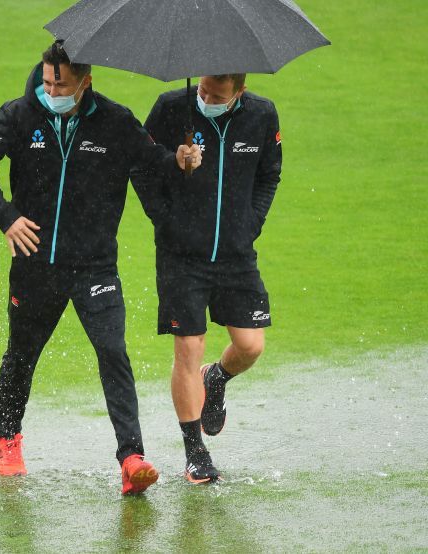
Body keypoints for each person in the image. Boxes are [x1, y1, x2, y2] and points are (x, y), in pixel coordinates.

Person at [0, 42, 201, 495]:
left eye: (61, 85)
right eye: (47, 82)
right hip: (35, 266)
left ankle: (131, 458)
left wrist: (182, 162)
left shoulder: (115, 120)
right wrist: (6, 217)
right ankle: (7, 439)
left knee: (113, 352)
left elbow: (157, 164)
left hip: (95, 268)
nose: (50, 91)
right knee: (21, 354)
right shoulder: (19, 114)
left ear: (85, 82)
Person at [143, 73, 282, 483]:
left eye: (217, 96)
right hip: (181, 256)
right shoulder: (172, 108)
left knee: (251, 345)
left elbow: (269, 174)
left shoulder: (261, 114)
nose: (206, 98)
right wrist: (172, 173)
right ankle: (194, 452)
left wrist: (251, 224)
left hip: (236, 255)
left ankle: (216, 377)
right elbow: (141, 167)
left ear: (238, 91)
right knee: (188, 347)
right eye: (203, 90)